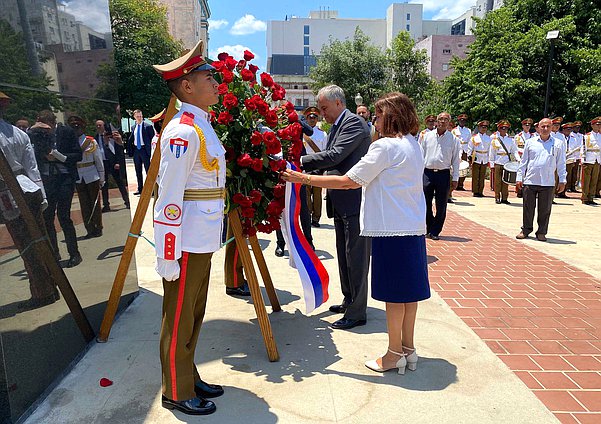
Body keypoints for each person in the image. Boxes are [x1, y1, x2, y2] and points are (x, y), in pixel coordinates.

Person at [283, 92, 430, 374]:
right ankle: (408, 349)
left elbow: (349, 181)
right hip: (411, 228)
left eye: (379, 114)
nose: (374, 119)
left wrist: (301, 177)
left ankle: (393, 353)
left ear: (391, 117)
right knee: (409, 295)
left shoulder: (385, 147)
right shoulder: (413, 144)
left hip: (390, 230)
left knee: (394, 297)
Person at [152, 39, 224, 416]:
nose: (215, 83)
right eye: (206, 77)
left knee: (194, 310)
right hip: (185, 239)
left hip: (202, 235)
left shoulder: (201, 126)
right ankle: (176, 390)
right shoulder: (182, 132)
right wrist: (167, 253)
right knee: (179, 313)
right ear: (186, 86)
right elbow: (168, 196)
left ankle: (188, 373)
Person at [300, 85, 371, 330]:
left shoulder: (352, 124)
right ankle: (349, 299)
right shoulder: (338, 124)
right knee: (344, 254)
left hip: (353, 198)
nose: (321, 114)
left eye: (324, 108)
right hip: (341, 199)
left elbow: (335, 156)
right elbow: (331, 157)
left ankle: (357, 312)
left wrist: (299, 163)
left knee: (357, 257)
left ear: (338, 103)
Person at [0, 91, 58, 309]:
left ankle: (42, 292)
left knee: (27, 246)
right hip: (29, 188)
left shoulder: (15, 132)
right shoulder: (18, 133)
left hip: (10, 191)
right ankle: (52, 287)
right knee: (40, 240)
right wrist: (41, 195)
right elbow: (32, 168)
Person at [28, 110, 82, 267]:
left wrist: (59, 156)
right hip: (47, 178)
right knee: (47, 216)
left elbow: (77, 155)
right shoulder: (36, 134)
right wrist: (34, 130)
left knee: (64, 216)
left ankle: (74, 253)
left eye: (47, 128)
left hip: (64, 177)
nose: (45, 131)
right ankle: (54, 253)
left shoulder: (66, 132)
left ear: (52, 123)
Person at [516, 118, 567, 242]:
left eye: (548, 127)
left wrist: (562, 180)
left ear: (552, 127)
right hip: (530, 180)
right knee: (528, 207)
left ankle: (542, 232)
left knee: (545, 209)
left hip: (548, 181)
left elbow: (561, 163)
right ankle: (526, 229)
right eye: (542, 126)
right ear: (538, 127)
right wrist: (519, 177)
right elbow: (524, 162)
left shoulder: (558, 143)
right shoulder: (530, 142)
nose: (545, 129)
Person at [421, 112, 460, 240]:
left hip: (443, 174)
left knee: (441, 204)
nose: (443, 121)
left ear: (449, 122)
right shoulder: (427, 136)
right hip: (427, 173)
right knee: (425, 203)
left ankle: (435, 231)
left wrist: (455, 178)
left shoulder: (453, 139)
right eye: (440, 119)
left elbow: (455, 160)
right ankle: (429, 226)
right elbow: (421, 155)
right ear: (437, 121)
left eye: (446, 119)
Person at [69, 116, 104, 238]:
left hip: (92, 174)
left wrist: (102, 177)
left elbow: (98, 160)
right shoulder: (69, 143)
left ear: (83, 128)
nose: (76, 130)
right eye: (73, 127)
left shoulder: (90, 141)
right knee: (84, 204)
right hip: (78, 176)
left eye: (78, 127)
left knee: (95, 203)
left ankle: (98, 227)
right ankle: (89, 229)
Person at [96, 120, 129, 212]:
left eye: (100, 125)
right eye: (97, 126)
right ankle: (106, 205)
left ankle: (127, 202)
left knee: (120, 183)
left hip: (113, 162)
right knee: (104, 185)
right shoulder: (95, 138)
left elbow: (118, 150)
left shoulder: (112, 136)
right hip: (102, 163)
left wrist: (118, 162)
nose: (98, 127)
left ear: (104, 126)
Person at [303, 106, 327, 227]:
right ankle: (307, 214)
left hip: (317, 165)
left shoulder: (323, 134)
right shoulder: (302, 133)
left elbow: (325, 151)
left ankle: (316, 218)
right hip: (305, 165)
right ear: (306, 119)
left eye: (314, 117)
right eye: (310, 117)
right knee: (306, 192)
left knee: (317, 193)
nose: (312, 119)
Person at [489, 120, 519, 204]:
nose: (504, 130)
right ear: (499, 129)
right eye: (502, 128)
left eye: (505, 129)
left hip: (507, 162)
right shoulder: (495, 140)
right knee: (497, 181)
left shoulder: (510, 140)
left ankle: (505, 198)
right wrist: (492, 164)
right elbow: (492, 153)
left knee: (506, 181)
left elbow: (514, 150)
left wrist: (518, 159)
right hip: (498, 161)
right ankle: (497, 197)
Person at [127, 109, 154, 195]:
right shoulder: (133, 127)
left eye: (141, 116)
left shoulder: (148, 127)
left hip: (145, 150)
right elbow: (131, 139)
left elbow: (152, 139)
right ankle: (140, 188)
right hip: (136, 150)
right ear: (134, 117)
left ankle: (151, 189)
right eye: (138, 116)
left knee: (148, 171)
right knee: (138, 171)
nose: (139, 118)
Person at [467, 120, 491, 197]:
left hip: (484, 157)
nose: (483, 129)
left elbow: (490, 149)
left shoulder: (489, 138)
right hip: (476, 156)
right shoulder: (474, 137)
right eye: (482, 127)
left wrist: (489, 159)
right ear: (479, 127)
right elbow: (470, 148)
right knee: (475, 175)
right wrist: (469, 157)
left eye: (485, 127)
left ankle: (481, 191)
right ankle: (475, 191)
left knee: (482, 176)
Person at [581, 117, 601, 205]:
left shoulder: (600, 136)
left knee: (594, 180)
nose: (599, 126)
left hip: (597, 159)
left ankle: (591, 197)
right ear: (592, 125)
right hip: (588, 159)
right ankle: (585, 198)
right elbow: (583, 148)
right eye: (597, 124)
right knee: (586, 180)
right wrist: (583, 159)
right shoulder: (587, 136)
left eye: (600, 125)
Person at [514, 118, 534, 198]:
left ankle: (527, 190)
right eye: (526, 125)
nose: (527, 126)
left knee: (529, 174)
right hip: (521, 156)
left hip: (530, 158)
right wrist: (518, 158)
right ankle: (519, 191)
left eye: (529, 125)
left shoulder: (533, 136)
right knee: (520, 174)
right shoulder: (518, 137)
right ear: (522, 126)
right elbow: (515, 148)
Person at [451, 113, 471, 191]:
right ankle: (455, 182)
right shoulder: (454, 130)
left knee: (464, 167)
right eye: (461, 120)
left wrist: (469, 152)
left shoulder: (468, 130)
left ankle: (461, 184)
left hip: (465, 150)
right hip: (457, 149)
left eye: (464, 121)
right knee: (456, 167)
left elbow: (469, 141)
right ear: (458, 121)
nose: (462, 122)